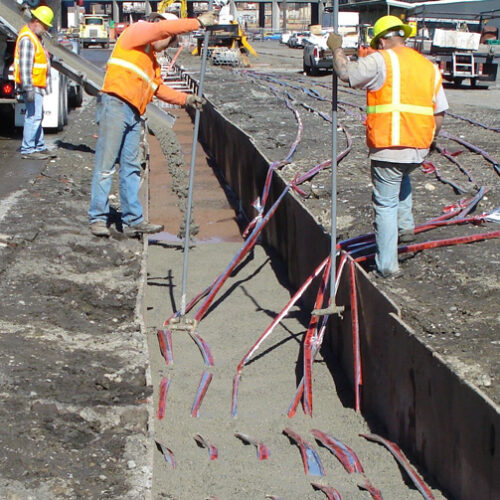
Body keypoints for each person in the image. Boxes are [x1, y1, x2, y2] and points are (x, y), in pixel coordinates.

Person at [327, 15, 448, 278]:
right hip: (418, 144)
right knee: (402, 177)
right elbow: (439, 112)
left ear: (382, 40)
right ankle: (405, 227)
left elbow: (346, 73)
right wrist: (431, 139)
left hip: (389, 144)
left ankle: (387, 267)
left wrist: (336, 49)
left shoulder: (381, 59)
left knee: (385, 203)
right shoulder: (426, 65)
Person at [88, 11, 218, 237]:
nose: (167, 46)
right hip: (116, 105)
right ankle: (98, 218)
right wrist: (197, 23)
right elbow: (161, 30)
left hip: (134, 112)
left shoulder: (151, 62)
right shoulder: (136, 33)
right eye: (170, 40)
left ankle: (133, 219)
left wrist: (185, 99)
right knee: (106, 164)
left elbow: (158, 89)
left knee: (131, 167)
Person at [14, 5, 55, 160]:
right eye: (45, 26)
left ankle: (39, 145)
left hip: (36, 84)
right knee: (33, 116)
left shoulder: (35, 37)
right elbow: (25, 65)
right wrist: (28, 87)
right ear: (36, 21)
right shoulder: (27, 39)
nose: (45, 29)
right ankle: (28, 148)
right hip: (31, 85)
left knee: (38, 114)